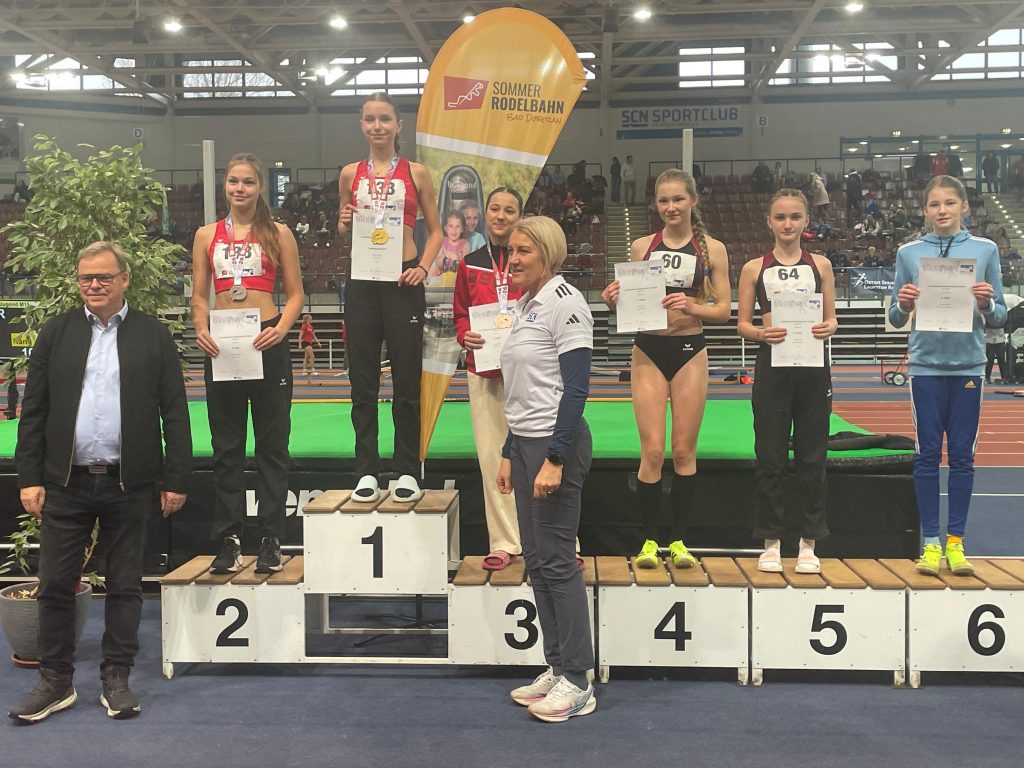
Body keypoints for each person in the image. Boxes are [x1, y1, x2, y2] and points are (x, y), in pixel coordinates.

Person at [10, 241, 191, 723]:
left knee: (126, 586)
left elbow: (175, 411)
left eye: (104, 277)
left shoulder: (153, 335)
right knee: (54, 585)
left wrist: (176, 477)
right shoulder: (57, 332)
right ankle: (55, 681)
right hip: (64, 483)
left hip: (131, 484)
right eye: (86, 278)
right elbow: (35, 410)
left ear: (124, 279)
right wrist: (29, 477)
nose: (94, 285)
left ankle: (117, 677)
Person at [601, 169, 731, 569]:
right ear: (655, 204)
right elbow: (631, 303)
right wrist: (613, 299)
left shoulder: (713, 249)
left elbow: (723, 311)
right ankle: (649, 541)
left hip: (690, 350)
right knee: (654, 451)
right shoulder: (642, 246)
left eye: (678, 199)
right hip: (648, 350)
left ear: (693, 200)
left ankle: (678, 541)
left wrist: (692, 306)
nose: (671, 207)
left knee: (684, 451)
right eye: (663, 200)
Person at [497, 215, 595, 723]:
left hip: (556, 447)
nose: (512, 259)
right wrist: (509, 449)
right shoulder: (524, 305)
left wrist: (555, 457)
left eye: (524, 251)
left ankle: (578, 680)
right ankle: (556, 667)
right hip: (525, 445)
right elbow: (524, 389)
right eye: (511, 250)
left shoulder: (566, 303)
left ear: (549, 254)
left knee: (557, 562)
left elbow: (575, 389)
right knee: (536, 561)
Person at [192, 153, 305, 574]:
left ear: (260, 187)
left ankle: (272, 538)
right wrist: (200, 326)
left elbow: (295, 294)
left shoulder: (279, 233)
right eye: (233, 181)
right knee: (227, 446)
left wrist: (282, 329)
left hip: (266, 339)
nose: (240, 189)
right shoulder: (206, 235)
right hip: (222, 344)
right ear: (225, 186)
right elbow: (199, 295)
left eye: (248, 182)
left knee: (272, 445)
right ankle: (229, 539)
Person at [889, 175, 1007, 576]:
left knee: (961, 457)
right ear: (925, 209)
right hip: (925, 368)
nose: (942, 210)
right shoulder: (908, 253)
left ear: (964, 206)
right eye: (935, 204)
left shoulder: (985, 249)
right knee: (926, 455)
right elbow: (895, 316)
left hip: (968, 367)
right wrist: (904, 305)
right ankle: (930, 543)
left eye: (950, 203)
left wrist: (986, 304)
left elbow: (1000, 315)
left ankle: (956, 543)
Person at [338, 92, 442, 503]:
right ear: (361, 125)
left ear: (399, 125)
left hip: (403, 281)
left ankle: (406, 470)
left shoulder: (417, 173)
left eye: (384, 119)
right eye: (369, 119)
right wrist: (344, 221)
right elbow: (345, 228)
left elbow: (436, 231)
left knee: (406, 381)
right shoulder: (349, 173)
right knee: (362, 382)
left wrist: (423, 268)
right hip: (363, 282)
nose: (377, 126)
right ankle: (366, 469)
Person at [736, 189, 838, 574]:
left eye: (795, 217)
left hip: (813, 367)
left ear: (806, 221)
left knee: (813, 458)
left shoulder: (821, 265)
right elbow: (742, 323)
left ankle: (809, 542)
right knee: (770, 458)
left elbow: (831, 318)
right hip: (773, 367)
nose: (788, 224)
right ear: (769, 221)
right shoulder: (754, 268)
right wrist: (760, 334)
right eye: (780, 217)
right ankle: (771, 541)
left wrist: (830, 326)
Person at [453, 187, 527, 570]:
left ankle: (554, 539)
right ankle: (504, 541)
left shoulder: (531, 261)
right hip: (483, 370)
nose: (501, 216)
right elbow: (460, 314)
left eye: (509, 210)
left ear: (520, 216)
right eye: (495, 209)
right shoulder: (469, 264)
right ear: (485, 214)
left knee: (538, 453)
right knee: (491, 456)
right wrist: (464, 334)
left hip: (528, 370)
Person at [431, 210, 470, 287]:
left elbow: (466, 266)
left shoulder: (465, 244)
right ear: (446, 228)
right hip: (441, 278)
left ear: (462, 228)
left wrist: (458, 258)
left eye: (457, 226)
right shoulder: (442, 242)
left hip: (458, 279)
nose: (454, 230)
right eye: (451, 226)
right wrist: (446, 256)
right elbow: (437, 263)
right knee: (433, 268)